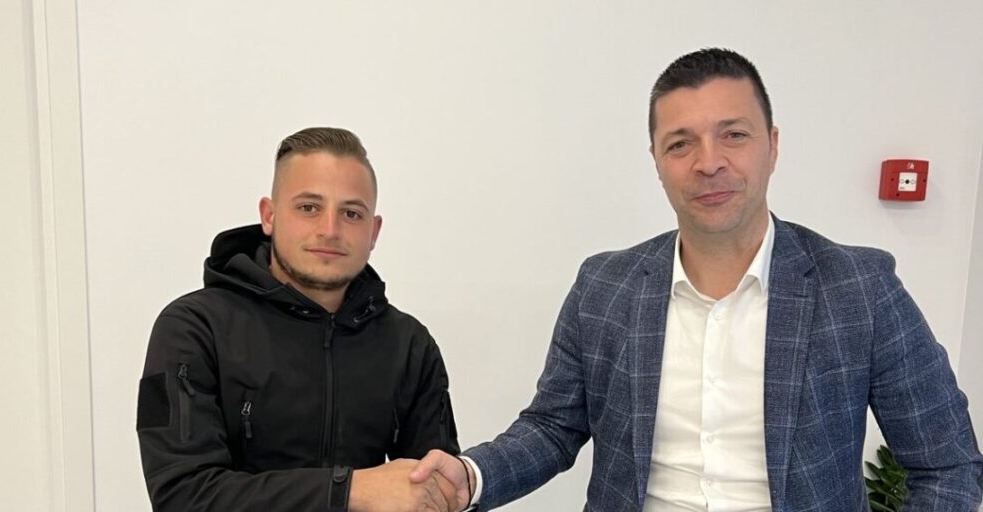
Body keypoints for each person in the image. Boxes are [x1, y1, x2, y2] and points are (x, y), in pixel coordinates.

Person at [410, 48, 983, 511]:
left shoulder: (859, 287)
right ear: (657, 162)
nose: (708, 162)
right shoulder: (604, 286)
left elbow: (947, 464)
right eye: (680, 143)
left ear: (772, 146)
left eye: (733, 134)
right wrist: (471, 476)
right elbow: (553, 427)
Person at [136, 127, 461, 511]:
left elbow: (436, 492)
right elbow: (180, 496)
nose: (329, 230)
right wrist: (348, 491)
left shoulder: (409, 345)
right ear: (269, 216)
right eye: (309, 207)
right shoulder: (191, 329)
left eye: (351, 213)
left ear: (373, 232)